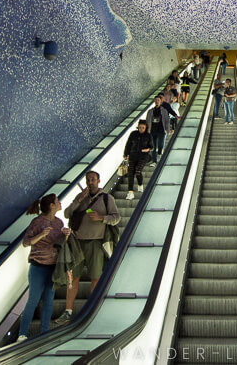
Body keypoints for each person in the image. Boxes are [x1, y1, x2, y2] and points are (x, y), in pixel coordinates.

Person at [56, 171, 120, 324]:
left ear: (98, 180)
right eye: (87, 180)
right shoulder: (81, 198)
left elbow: (116, 217)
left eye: (93, 180)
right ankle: (68, 311)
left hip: (96, 243)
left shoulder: (106, 198)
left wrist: (101, 218)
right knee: (73, 277)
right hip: (77, 243)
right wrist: (78, 200)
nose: (90, 182)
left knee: (95, 277)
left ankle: (92, 310)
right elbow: (66, 214)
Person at [18, 194, 70, 341]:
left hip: (54, 267)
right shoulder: (37, 222)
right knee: (33, 300)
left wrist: (65, 235)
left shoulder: (59, 223)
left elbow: (59, 244)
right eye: (57, 201)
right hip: (37, 267)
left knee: (49, 300)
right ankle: (22, 334)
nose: (60, 203)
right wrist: (41, 235)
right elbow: (26, 242)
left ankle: (44, 334)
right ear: (51, 206)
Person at [123, 119, 152, 200]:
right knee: (130, 173)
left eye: (143, 128)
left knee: (138, 172)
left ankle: (140, 184)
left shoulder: (148, 135)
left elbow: (151, 146)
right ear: (138, 127)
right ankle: (130, 192)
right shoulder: (133, 134)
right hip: (133, 155)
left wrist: (146, 149)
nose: (141, 129)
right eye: (140, 127)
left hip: (143, 156)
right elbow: (128, 144)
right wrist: (125, 154)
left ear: (146, 127)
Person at [146, 95, 170, 165]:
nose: (157, 102)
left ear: (161, 101)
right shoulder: (150, 111)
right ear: (154, 101)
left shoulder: (164, 111)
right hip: (152, 130)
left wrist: (168, 129)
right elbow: (147, 121)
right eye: (156, 100)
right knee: (153, 146)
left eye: (158, 100)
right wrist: (147, 130)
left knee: (160, 144)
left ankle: (159, 154)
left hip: (161, 130)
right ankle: (154, 161)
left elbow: (167, 120)